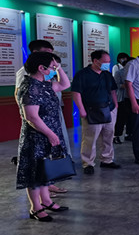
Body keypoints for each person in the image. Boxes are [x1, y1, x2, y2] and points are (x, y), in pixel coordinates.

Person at [16, 52, 70, 221]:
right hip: (37, 137)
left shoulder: (45, 84)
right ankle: (36, 208)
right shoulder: (30, 87)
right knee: (35, 172)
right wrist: (50, 134)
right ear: (41, 68)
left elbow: (65, 84)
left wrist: (58, 68)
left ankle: (46, 201)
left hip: (48, 134)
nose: (54, 69)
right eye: (52, 67)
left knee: (45, 170)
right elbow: (31, 117)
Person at [71, 49, 120, 175]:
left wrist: (115, 105)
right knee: (90, 138)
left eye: (109, 61)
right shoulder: (82, 74)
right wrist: (81, 109)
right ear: (95, 61)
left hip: (109, 109)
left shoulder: (107, 74)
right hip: (91, 111)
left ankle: (107, 159)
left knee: (109, 136)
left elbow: (113, 91)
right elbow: (76, 93)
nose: (107, 64)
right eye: (105, 61)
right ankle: (88, 163)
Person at [113, 56, 134, 144]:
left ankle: (129, 134)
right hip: (122, 98)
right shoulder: (119, 72)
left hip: (132, 98)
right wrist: (127, 85)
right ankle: (116, 136)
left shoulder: (135, 72)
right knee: (121, 118)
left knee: (131, 118)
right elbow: (116, 85)